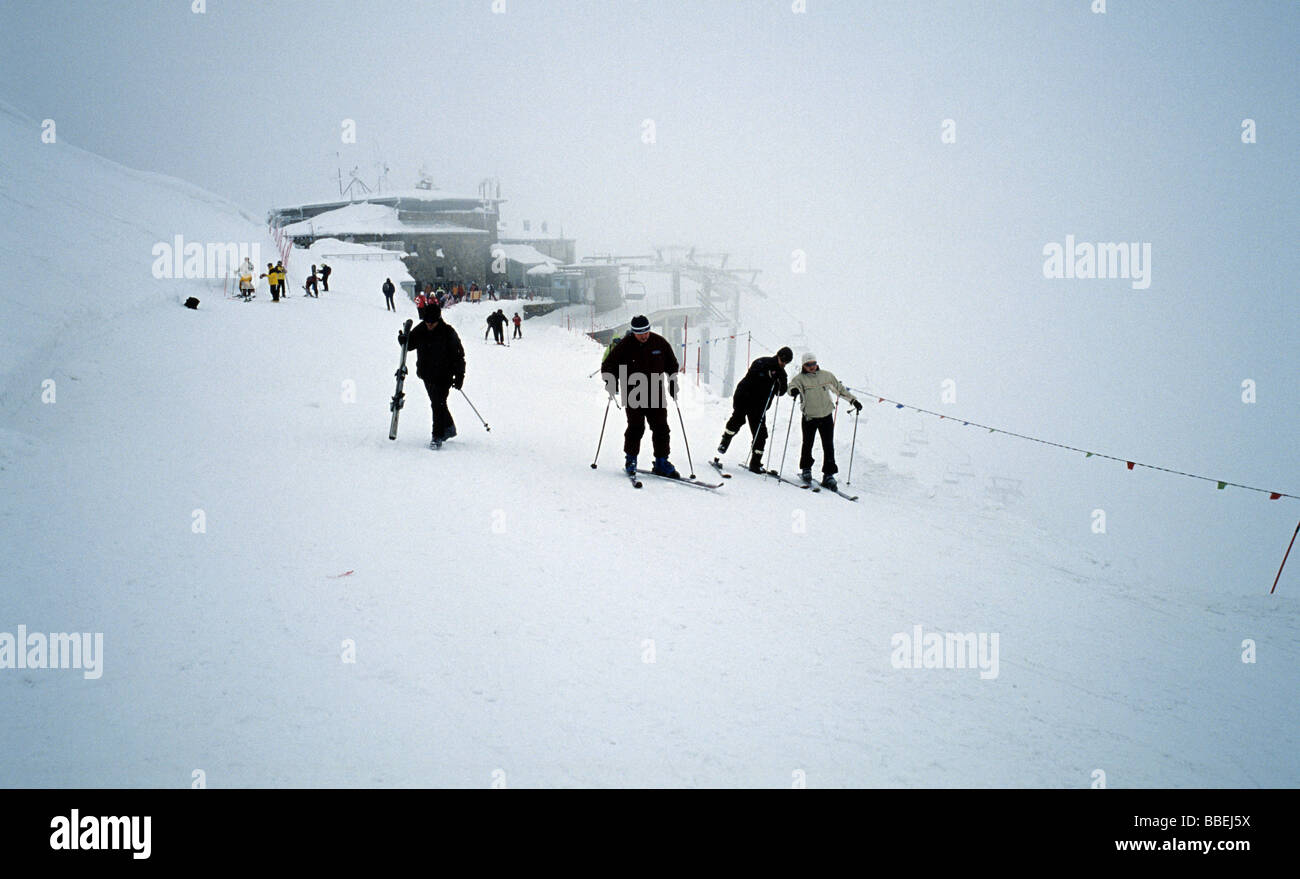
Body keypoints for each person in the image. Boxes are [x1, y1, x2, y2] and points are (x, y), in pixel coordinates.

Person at [600, 314, 681, 478]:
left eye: (646, 332)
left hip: (655, 392)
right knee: (636, 427)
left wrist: (672, 382)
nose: (644, 336)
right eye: (640, 333)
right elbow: (608, 365)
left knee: (661, 428)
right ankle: (631, 460)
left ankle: (661, 462)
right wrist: (611, 381)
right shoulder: (625, 345)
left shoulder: (659, 342)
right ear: (634, 332)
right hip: (633, 392)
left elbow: (672, 364)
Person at [787, 352, 861, 490]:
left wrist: (853, 400)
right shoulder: (800, 379)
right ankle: (806, 469)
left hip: (826, 415)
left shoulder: (826, 376)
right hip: (809, 416)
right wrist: (794, 391)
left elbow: (839, 389)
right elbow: (790, 387)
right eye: (808, 365)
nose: (812, 367)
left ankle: (829, 475)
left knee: (828, 445)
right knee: (807, 443)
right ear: (804, 365)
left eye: (814, 364)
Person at [397, 300, 465, 448]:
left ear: (438, 319)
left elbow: (459, 355)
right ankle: (449, 428)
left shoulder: (448, 332)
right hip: (426, 374)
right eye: (427, 322)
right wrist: (403, 340)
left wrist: (459, 376)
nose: (429, 325)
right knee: (438, 403)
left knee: (437, 403)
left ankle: (437, 435)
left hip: (444, 375)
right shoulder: (421, 329)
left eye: (432, 322)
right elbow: (410, 345)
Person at [718, 346, 793, 472]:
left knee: (760, 432)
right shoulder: (762, 362)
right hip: (744, 397)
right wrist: (767, 375)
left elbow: (781, 392)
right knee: (738, 420)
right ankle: (725, 441)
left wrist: (780, 383)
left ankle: (756, 462)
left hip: (759, 405)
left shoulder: (782, 373)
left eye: (786, 362)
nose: (784, 364)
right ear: (778, 356)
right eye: (783, 360)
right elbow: (753, 374)